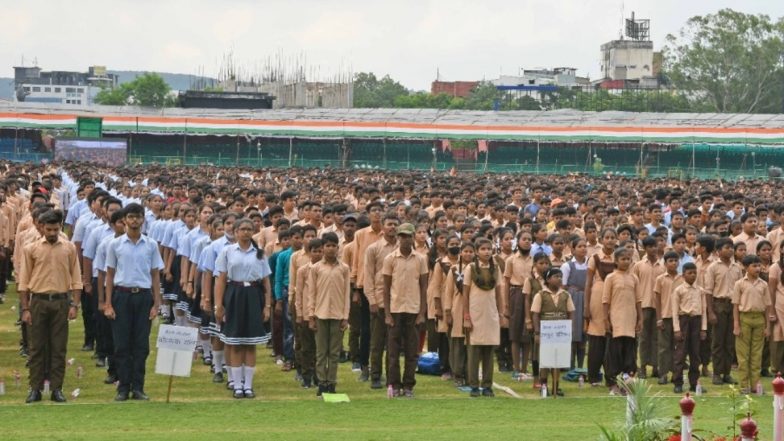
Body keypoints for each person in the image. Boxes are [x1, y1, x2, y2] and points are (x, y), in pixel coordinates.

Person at [19, 209, 82, 403]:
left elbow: (76, 279)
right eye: (49, 229)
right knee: (36, 347)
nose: (53, 233)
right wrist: (26, 309)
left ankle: (57, 389)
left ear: (60, 227)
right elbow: (23, 282)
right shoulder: (31, 249)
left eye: (56, 229)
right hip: (38, 301)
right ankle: (35, 388)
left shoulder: (69, 248)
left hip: (61, 301)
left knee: (58, 347)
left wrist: (75, 304)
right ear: (41, 228)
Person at [103, 203, 164, 401]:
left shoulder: (151, 244)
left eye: (138, 216)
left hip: (143, 296)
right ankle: (123, 387)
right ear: (124, 220)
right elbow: (110, 275)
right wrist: (108, 303)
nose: (134, 220)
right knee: (121, 344)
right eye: (131, 217)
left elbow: (155, 275)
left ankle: (138, 387)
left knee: (141, 345)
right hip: (121, 295)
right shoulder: (115, 244)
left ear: (143, 219)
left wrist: (157, 303)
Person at [214, 218, 273, 399]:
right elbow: (221, 279)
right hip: (234, 295)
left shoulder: (260, 254)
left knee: (250, 343)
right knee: (235, 342)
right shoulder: (227, 252)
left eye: (249, 229)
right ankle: (237, 385)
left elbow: (266, 282)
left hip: (254, 296)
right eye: (243, 229)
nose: (246, 232)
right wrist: (219, 304)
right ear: (236, 231)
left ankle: (248, 385)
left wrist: (267, 306)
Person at [382, 223, 428, 398]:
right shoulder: (390, 259)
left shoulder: (420, 259)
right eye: (402, 236)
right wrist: (386, 314)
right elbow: (385, 288)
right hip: (395, 309)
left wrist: (422, 313)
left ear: (413, 237)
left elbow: (424, 287)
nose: (405, 239)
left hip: (413, 309)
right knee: (393, 352)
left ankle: (408, 385)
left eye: (408, 236)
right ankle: (394, 384)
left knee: (412, 351)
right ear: (399, 238)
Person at [306, 232, 351, 396]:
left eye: (334, 245)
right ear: (323, 248)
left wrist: (346, 316)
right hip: (320, 314)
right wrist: (311, 316)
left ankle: (331, 382)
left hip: (338, 315)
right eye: (327, 246)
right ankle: (321, 383)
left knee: (334, 352)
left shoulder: (344, 268)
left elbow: (346, 294)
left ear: (338, 248)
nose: (331, 249)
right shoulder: (316, 268)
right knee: (321, 352)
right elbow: (312, 293)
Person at [463, 238, 506, 397]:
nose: (486, 251)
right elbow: (465, 295)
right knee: (473, 352)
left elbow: (499, 294)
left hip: (491, 314)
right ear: (476, 251)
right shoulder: (471, 268)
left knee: (489, 351)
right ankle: (474, 386)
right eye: (483, 249)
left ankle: (487, 386)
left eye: (489, 248)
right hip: (474, 314)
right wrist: (466, 316)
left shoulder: (496, 269)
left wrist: (501, 314)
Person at [602, 247, 642, 395]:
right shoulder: (611, 278)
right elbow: (605, 301)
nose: (626, 261)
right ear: (616, 261)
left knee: (629, 353)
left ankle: (627, 383)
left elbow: (638, 300)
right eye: (623, 259)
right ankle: (613, 384)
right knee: (614, 353)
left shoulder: (634, 278)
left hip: (630, 321)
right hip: (616, 321)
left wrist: (640, 319)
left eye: (628, 259)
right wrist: (606, 319)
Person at [732, 254, 774, 394]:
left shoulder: (763, 284)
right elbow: (736, 306)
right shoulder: (740, 284)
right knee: (743, 355)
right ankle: (744, 385)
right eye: (754, 266)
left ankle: (756, 385)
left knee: (757, 354)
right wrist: (736, 325)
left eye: (759, 265)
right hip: (745, 318)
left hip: (759, 319)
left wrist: (767, 326)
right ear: (746, 267)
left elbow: (768, 307)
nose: (757, 268)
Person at [705, 237, 744, 386]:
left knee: (730, 342)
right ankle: (716, 373)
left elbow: (741, 288)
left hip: (733, 305)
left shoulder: (737, 267)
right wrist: (710, 312)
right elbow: (708, 291)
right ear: (718, 251)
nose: (730, 250)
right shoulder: (713, 267)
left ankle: (727, 373)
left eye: (731, 247)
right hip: (719, 304)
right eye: (726, 247)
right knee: (717, 342)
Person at [531, 267, 574, 396]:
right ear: (548, 279)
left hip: (561, 331)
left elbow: (571, 312)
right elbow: (535, 314)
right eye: (556, 277)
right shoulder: (541, 295)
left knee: (558, 360)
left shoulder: (565, 295)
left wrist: (570, 329)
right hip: (546, 331)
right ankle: (544, 386)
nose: (559, 279)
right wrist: (537, 332)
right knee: (545, 359)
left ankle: (556, 387)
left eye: (560, 276)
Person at [584, 228, 617, 387]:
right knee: (596, 338)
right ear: (602, 239)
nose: (610, 240)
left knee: (611, 338)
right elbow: (588, 283)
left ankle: (611, 376)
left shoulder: (620, 257)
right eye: (607, 237)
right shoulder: (594, 258)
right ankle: (594, 376)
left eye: (613, 237)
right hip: (597, 299)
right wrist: (586, 306)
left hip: (615, 299)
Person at [632, 236, 665, 379]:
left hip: (659, 306)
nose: (653, 249)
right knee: (644, 338)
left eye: (655, 246)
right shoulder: (639, 265)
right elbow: (634, 285)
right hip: (644, 304)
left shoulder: (662, 266)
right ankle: (643, 366)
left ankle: (656, 367)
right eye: (650, 246)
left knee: (658, 337)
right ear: (644, 249)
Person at [671, 262, 707, 393]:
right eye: (689, 273)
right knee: (680, 353)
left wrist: (704, 328)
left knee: (695, 354)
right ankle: (678, 382)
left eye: (694, 273)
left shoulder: (700, 290)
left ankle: (694, 383)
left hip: (696, 321)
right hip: (683, 321)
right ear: (683, 275)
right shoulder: (678, 290)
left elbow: (703, 311)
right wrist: (677, 329)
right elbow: (674, 312)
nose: (692, 275)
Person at [504, 231, 533, 380]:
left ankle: (524, 367)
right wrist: (506, 304)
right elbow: (506, 282)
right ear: (518, 241)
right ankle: (516, 368)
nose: (527, 242)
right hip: (516, 294)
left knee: (527, 334)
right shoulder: (511, 260)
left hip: (531, 296)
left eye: (529, 239)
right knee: (515, 333)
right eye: (524, 239)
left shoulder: (534, 259)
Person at [653, 251, 683, 386]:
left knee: (678, 347)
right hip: (665, 316)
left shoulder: (682, 278)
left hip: (680, 317)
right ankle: (663, 374)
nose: (673, 263)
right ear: (665, 263)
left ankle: (676, 374)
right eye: (670, 261)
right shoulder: (660, 279)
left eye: (676, 261)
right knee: (664, 347)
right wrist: (659, 318)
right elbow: (657, 300)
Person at [561, 236, 588, 369]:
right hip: (573, 299)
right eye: (580, 246)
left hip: (586, 299)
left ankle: (581, 365)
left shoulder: (589, 264)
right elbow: (563, 286)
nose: (583, 249)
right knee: (573, 332)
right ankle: (570, 365)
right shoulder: (567, 266)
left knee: (584, 333)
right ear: (573, 249)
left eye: (585, 246)